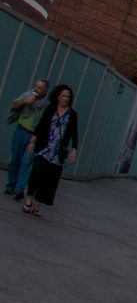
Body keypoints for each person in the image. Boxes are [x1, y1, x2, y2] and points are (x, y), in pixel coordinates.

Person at [18, 85, 77, 217]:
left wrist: (73, 150)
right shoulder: (50, 109)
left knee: (48, 179)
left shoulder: (72, 114)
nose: (65, 98)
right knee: (36, 172)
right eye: (63, 96)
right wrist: (33, 142)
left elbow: (74, 133)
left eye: (68, 96)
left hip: (58, 151)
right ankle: (29, 199)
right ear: (58, 96)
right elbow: (41, 125)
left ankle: (37, 204)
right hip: (44, 147)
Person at [6, 76, 44, 200]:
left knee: (26, 162)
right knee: (14, 160)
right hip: (21, 130)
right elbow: (14, 104)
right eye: (36, 86)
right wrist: (25, 102)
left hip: (33, 135)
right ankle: (11, 185)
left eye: (40, 88)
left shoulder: (46, 103)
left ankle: (19, 189)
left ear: (45, 91)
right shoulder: (27, 95)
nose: (37, 90)